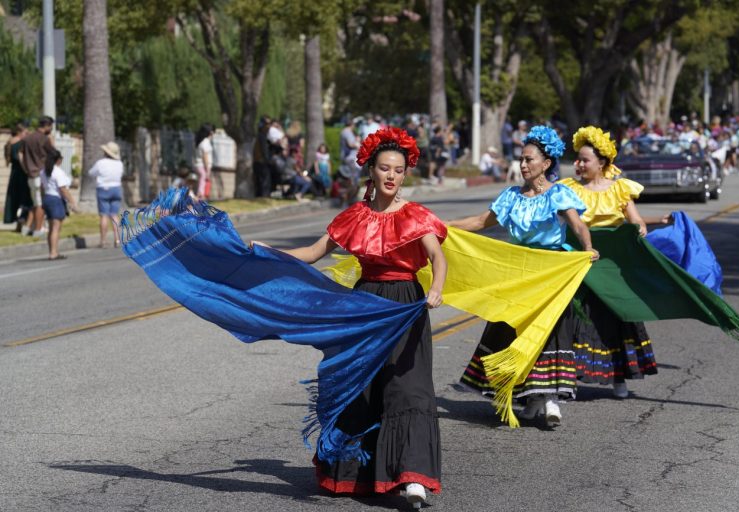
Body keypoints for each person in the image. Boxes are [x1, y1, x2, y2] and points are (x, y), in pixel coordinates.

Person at [252, 127, 446, 507]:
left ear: (405, 175)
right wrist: (268, 252)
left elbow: (438, 256)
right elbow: (311, 252)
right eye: (385, 168)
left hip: (405, 303)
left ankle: (413, 478)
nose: (392, 176)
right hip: (365, 305)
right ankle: (356, 473)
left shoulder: (415, 216)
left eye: (399, 170)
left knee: (408, 387)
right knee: (362, 387)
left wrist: (436, 288)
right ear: (371, 171)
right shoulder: (355, 216)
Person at [450, 125, 598, 426]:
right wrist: (440, 226)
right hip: (517, 270)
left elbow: (578, 224)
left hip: (550, 271)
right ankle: (529, 398)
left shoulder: (558, 194)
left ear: (546, 164)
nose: (523, 164)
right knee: (511, 330)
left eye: (530, 159)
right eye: (521, 159)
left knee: (547, 331)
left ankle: (551, 400)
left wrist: (588, 247)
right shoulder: (511, 197)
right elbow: (480, 222)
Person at [559, 126, 658, 397]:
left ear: (601, 162)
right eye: (577, 159)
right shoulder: (568, 190)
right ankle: (571, 378)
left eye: (584, 160)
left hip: (612, 266)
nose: (578, 164)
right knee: (576, 317)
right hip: (580, 262)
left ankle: (619, 378)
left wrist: (639, 227)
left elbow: (634, 219)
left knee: (616, 318)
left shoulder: (619, 189)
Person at [20, 115, 56, 237]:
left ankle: (26, 228)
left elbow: (20, 154)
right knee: (41, 204)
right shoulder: (44, 139)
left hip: (30, 175)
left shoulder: (27, 138)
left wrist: (25, 168)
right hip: (41, 175)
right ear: (47, 126)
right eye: (51, 126)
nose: (51, 129)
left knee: (35, 203)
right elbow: (53, 154)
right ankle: (38, 230)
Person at [40, 149, 79, 260]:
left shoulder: (43, 171)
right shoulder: (58, 172)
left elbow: (42, 187)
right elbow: (63, 189)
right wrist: (72, 202)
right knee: (56, 228)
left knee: (51, 227)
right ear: (57, 160)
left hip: (47, 198)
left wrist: (43, 199)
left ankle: (53, 251)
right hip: (56, 200)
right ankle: (53, 253)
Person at [88, 141, 124, 248]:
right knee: (114, 215)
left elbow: (91, 173)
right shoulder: (120, 164)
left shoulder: (101, 163)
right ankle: (117, 239)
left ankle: (103, 241)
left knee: (104, 215)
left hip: (103, 188)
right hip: (116, 188)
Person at [3, 123, 34, 234]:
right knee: (25, 198)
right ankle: (23, 221)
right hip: (23, 173)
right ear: (20, 132)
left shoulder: (9, 143)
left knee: (14, 197)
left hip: (14, 173)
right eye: (26, 132)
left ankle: (13, 219)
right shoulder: (22, 143)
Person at [194, 124, 214, 200]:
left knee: (201, 181)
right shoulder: (206, 142)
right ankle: (199, 197)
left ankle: (199, 196)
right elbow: (205, 157)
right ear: (209, 132)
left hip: (198, 165)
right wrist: (207, 169)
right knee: (203, 181)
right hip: (202, 166)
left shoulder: (201, 142)